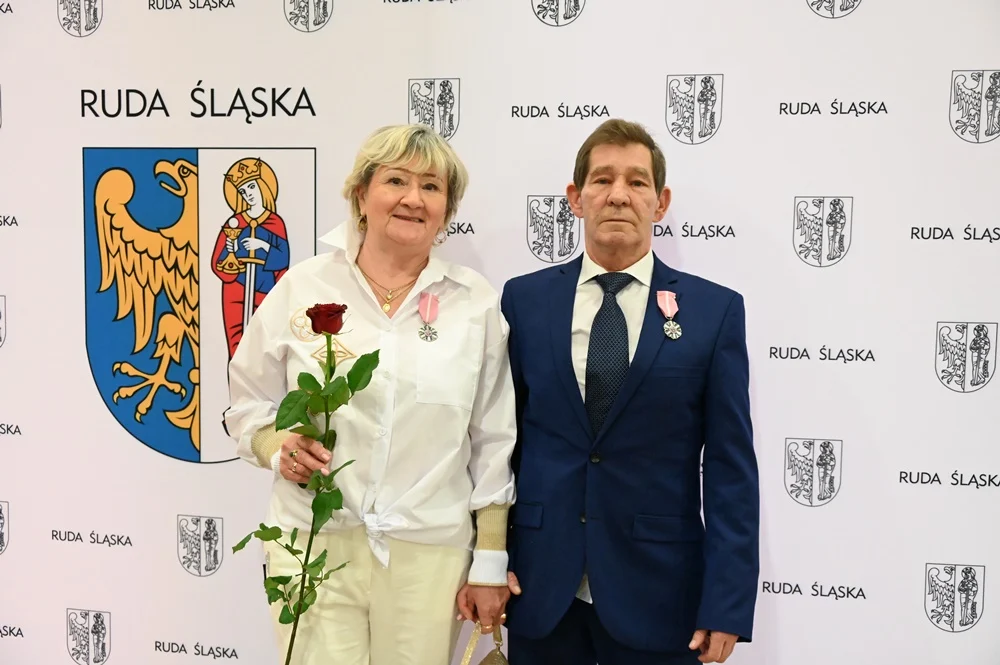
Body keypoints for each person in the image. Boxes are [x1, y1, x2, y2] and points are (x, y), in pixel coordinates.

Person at [223, 124, 516, 665]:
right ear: (361, 194)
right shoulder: (303, 287)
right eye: (396, 181)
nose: (413, 198)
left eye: (431, 186)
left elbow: (494, 437)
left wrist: (491, 559)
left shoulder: (473, 302)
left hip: (428, 553)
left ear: (447, 209)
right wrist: (275, 446)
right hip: (311, 542)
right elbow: (246, 403)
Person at [499, 119, 759, 665]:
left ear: (660, 203)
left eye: (637, 182)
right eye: (602, 179)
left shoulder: (715, 312)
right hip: (539, 588)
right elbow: (501, 443)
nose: (619, 194)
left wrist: (727, 602)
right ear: (576, 198)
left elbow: (731, 469)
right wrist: (488, 559)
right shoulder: (524, 300)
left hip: (661, 595)